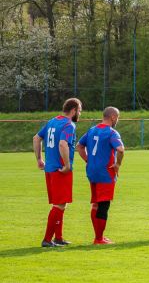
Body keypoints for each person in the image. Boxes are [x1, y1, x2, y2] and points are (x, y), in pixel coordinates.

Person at [33, 98, 82, 247]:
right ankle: (47, 239)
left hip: (50, 169)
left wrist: (39, 160)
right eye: (79, 110)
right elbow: (62, 144)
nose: (79, 113)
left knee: (62, 204)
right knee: (59, 205)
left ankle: (58, 237)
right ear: (73, 110)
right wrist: (67, 165)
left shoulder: (52, 121)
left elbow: (36, 138)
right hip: (60, 170)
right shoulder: (69, 125)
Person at [77, 106, 124, 245]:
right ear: (113, 117)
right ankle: (99, 239)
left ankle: (98, 236)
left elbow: (79, 146)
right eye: (118, 117)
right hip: (105, 172)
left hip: (92, 171)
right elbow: (120, 149)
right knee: (104, 205)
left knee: (96, 203)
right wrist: (117, 164)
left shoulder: (92, 130)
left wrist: (87, 159)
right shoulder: (111, 132)